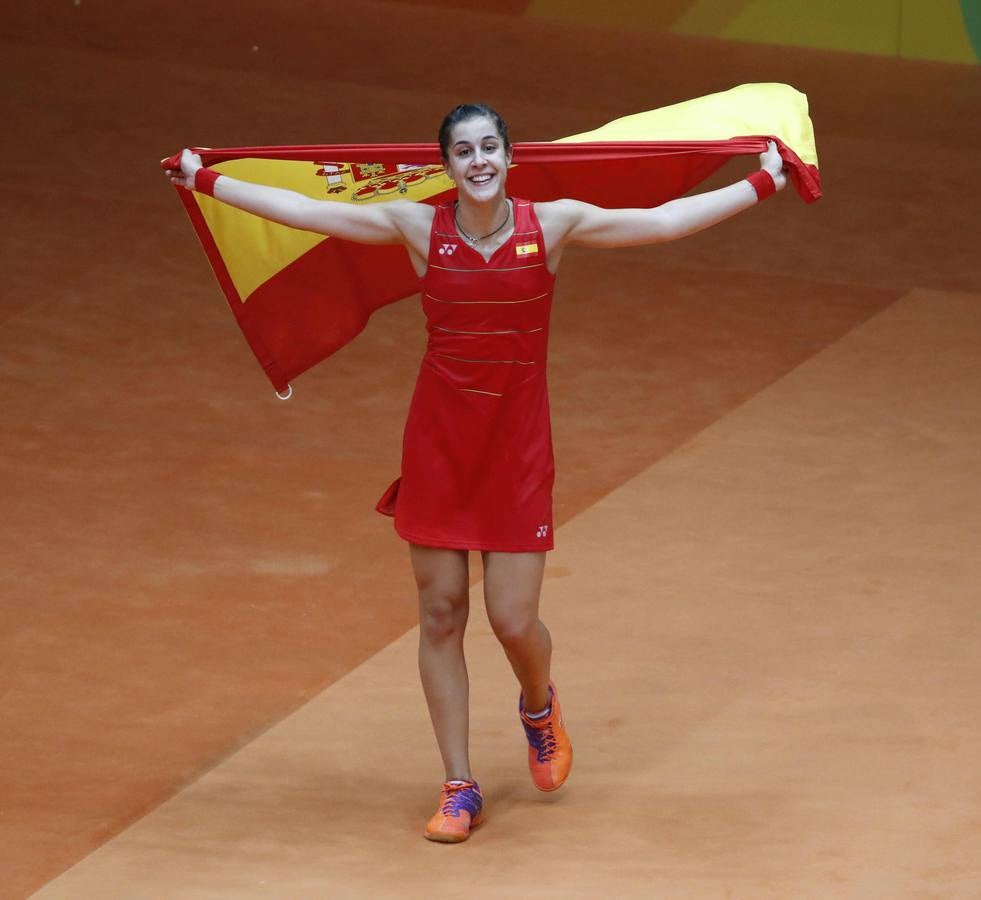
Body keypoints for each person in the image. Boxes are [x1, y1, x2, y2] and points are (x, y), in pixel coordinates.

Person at [165, 103, 788, 843]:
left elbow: (661, 223)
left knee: (512, 620)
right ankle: (458, 784)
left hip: (516, 450)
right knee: (440, 614)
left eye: (490, 146)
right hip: (440, 445)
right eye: (464, 152)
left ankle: (536, 706)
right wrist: (206, 179)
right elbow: (304, 210)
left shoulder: (551, 224)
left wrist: (765, 180)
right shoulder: (417, 228)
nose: (479, 161)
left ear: (507, 154)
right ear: (448, 165)